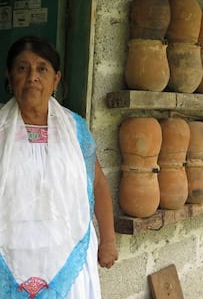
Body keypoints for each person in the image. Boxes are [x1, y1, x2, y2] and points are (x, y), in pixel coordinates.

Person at [0, 36, 118, 298]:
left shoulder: (75, 130)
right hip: (8, 255)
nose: (32, 76)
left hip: (67, 254)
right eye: (22, 68)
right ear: (9, 77)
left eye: (42, 68)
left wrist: (108, 240)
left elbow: (97, 184)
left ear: (55, 80)